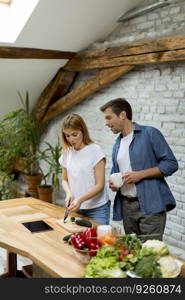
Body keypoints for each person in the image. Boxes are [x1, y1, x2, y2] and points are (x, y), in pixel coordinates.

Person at [100, 98, 178, 240]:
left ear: (122, 115)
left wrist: (140, 175)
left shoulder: (150, 134)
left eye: (109, 118)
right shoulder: (118, 143)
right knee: (133, 251)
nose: (106, 123)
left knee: (150, 253)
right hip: (127, 206)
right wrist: (113, 183)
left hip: (150, 204)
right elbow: (117, 172)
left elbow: (171, 164)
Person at [59, 113, 110, 225]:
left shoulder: (95, 151)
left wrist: (80, 199)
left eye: (74, 134)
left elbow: (100, 185)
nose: (71, 139)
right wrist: (69, 194)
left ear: (83, 131)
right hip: (76, 208)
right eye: (67, 136)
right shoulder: (67, 153)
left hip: (97, 209)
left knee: (99, 240)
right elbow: (64, 180)